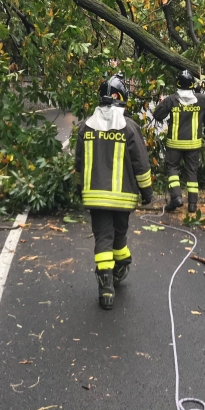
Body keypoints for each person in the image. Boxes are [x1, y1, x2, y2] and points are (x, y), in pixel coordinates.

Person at [75, 74, 154, 310]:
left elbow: (79, 164)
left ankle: (106, 289)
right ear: (122, 98)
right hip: (123, 198)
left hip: (95, 197)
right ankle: (121, 266)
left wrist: (80, 189)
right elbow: (141, 163)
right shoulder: (129, 127)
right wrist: (147, 192)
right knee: (119, 236)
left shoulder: (86, 126)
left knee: (103, 239)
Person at [152, 71, 205, 213]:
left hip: (174, 144)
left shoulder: (172, 100)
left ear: (177, 84)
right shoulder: (200, 99)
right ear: (191, 85)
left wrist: (162, 103)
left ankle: (176, 197)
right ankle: (192, 205)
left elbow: (157, 115)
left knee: (172, 169)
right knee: (192, 172)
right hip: (193, 145)